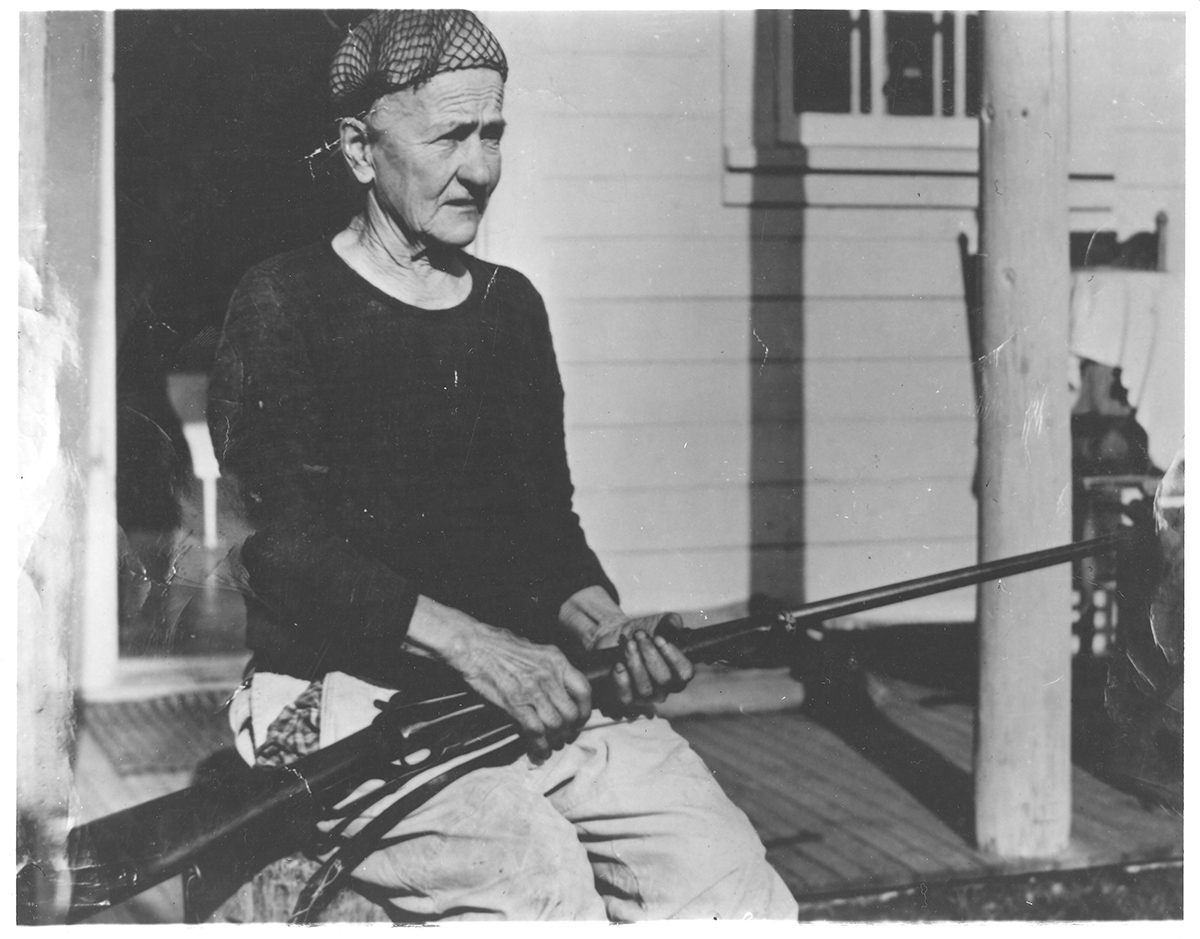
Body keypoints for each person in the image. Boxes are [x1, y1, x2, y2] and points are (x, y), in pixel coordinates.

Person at [209, 9, 798, 922]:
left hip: (521, 697)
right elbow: (288, 549)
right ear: (359, 149)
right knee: (538, 885)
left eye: (493, 134)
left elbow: (546, 531)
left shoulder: (508, 308)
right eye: (451, 136)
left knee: (726, 880)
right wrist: (481, 649)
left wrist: (608, 632)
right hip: (351, 708)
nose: (482, 168)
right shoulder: (282, 301)